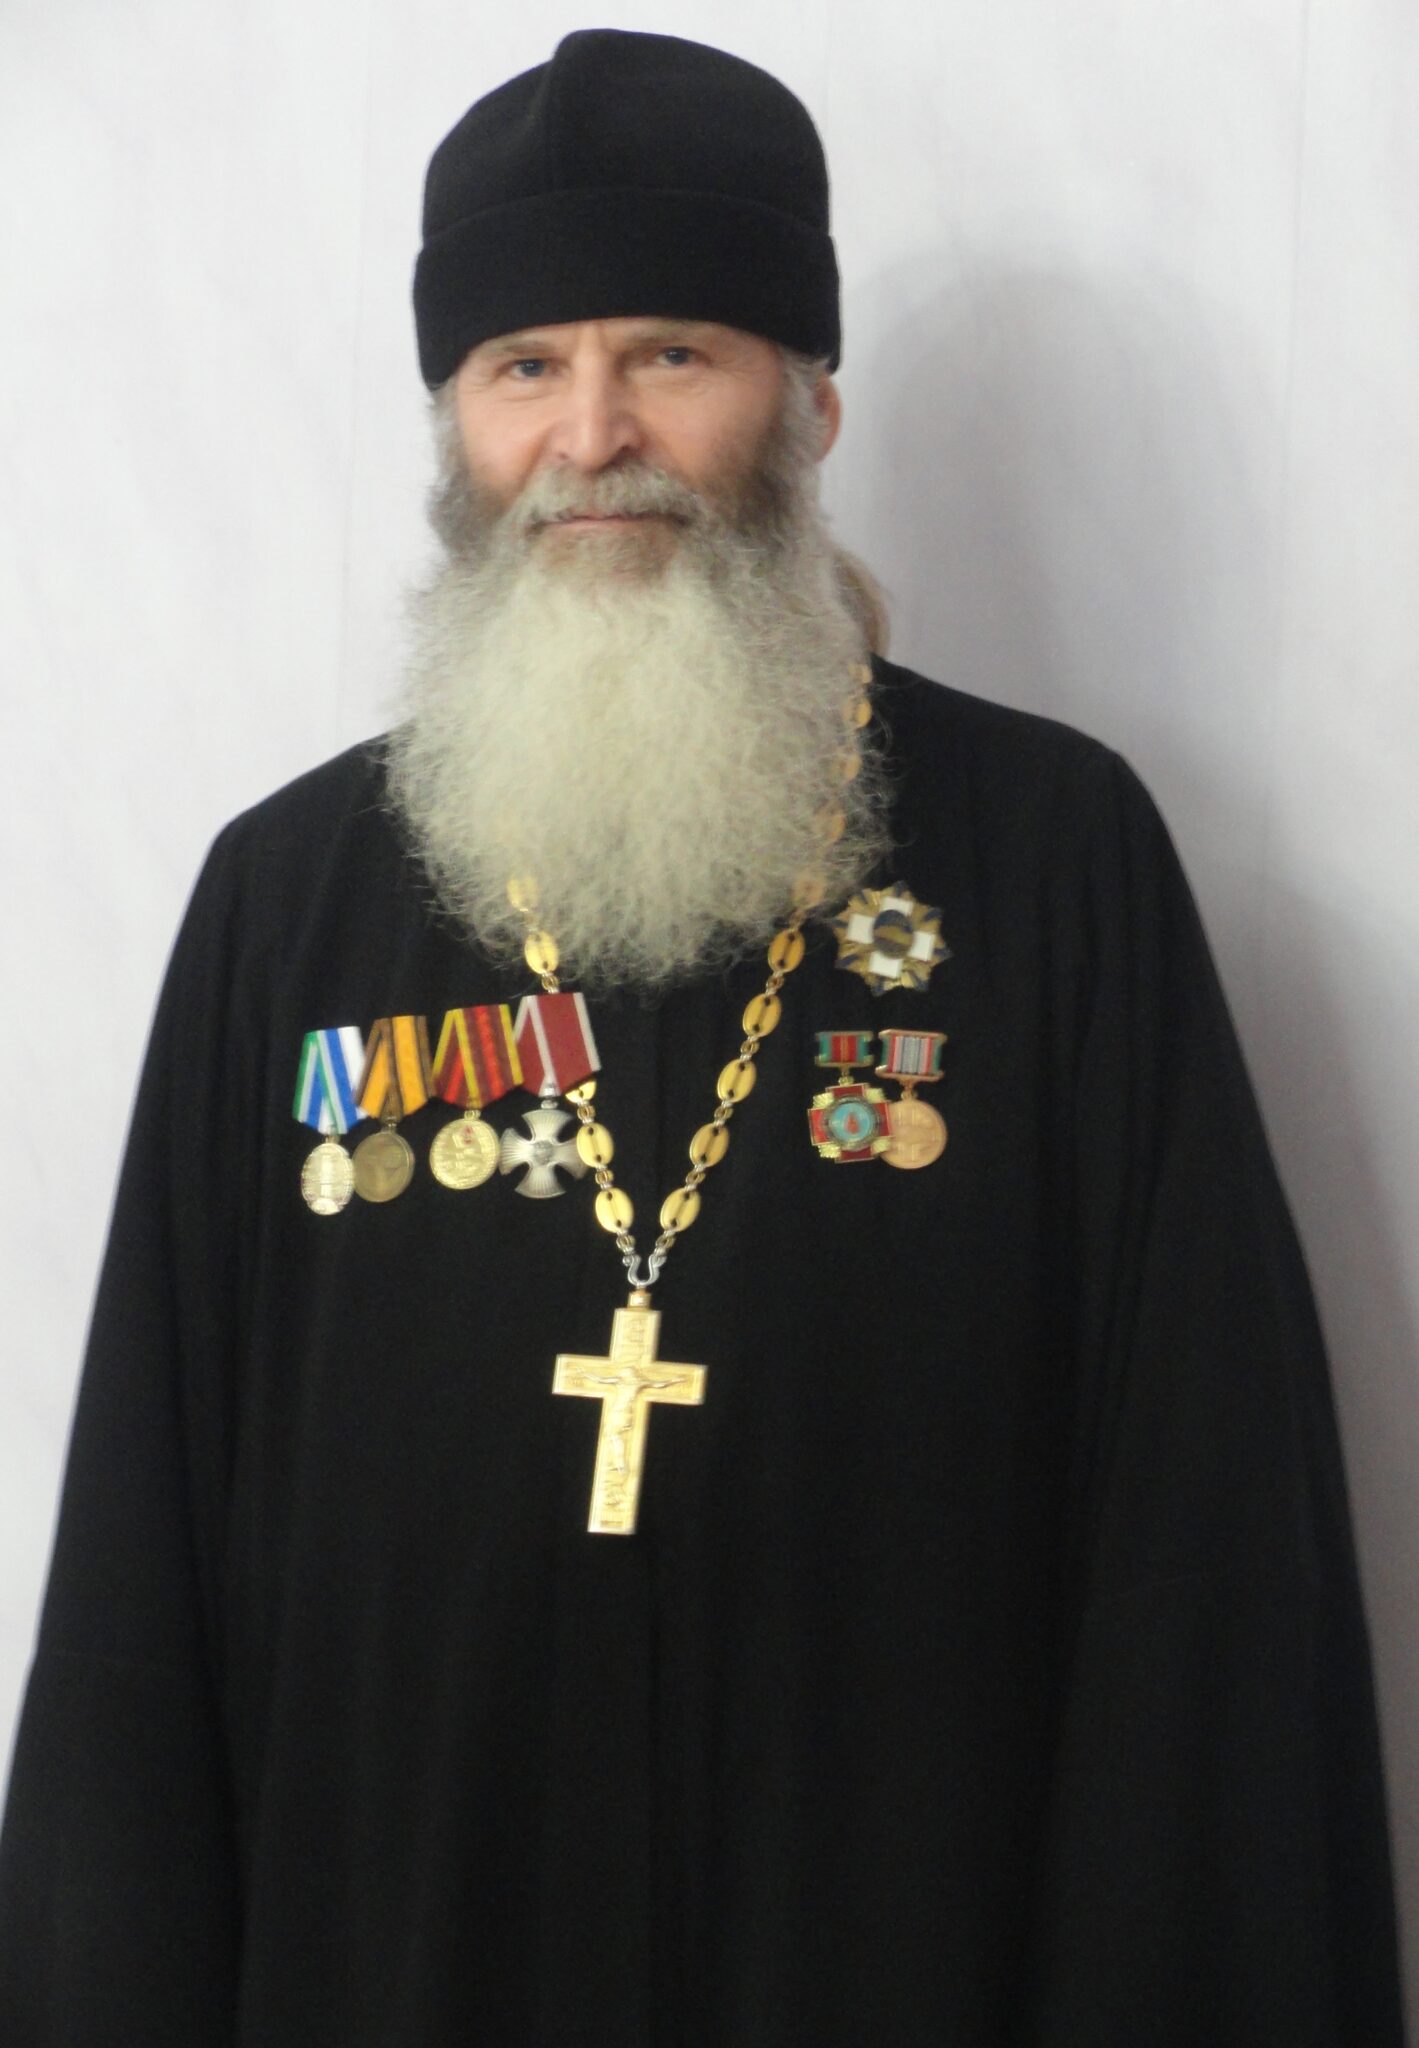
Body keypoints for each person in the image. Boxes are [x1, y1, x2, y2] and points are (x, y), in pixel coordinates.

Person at [0, 28, 1404, 2047]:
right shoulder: (287, 905)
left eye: (671, 352)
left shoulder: (1053, 860)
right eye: (522, 367)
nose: (593, 436)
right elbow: (143, 1578)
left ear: (808, 402)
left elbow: (1203, 1562)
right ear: (454, 424)